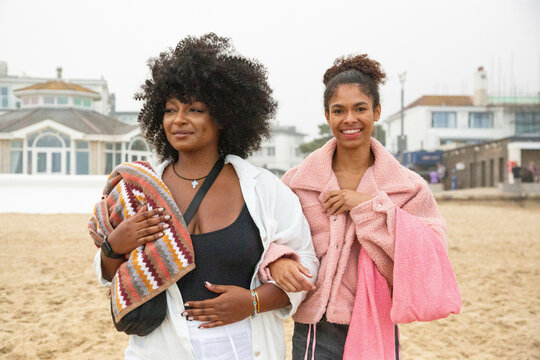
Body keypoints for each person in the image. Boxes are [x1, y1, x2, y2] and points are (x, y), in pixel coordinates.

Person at [90, 33, 318, 360]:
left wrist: (253, 302)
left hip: (245, 346)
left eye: (194, 109)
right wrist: (115, 245)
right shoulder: (139, 188)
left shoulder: (263, 188)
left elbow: (306, 266)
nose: (179, 120)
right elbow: (113, 277)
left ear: (223, 116)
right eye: (170, 110)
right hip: (161, 348)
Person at [266, 54, 461, 359]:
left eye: (360, 108)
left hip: (378, 319)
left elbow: (432, 252)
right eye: (338, 110)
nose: (350, 119)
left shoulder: (408, 187)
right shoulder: (297, 182)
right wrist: (277, 260)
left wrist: (370, 206)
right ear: (327, 115)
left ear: (377, 111)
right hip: (317, 324)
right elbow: (268, 234)